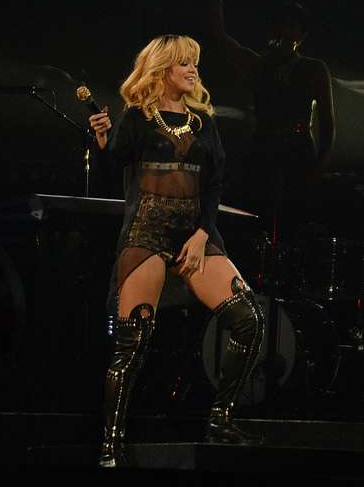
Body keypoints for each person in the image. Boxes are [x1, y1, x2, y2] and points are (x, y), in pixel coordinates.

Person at [88, 35, 264, 468]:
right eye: (184, 63)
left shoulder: (204, 122)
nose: (193, 70)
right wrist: (103, 141)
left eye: (195, 64)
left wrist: (203, 234)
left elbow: (215, 184)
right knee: (133, 342)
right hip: (147, 233)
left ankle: (221, 420)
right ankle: (111, 444)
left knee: (249, 319)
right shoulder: (136, 118)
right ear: (163, 68)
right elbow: (112, 171)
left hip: (194, 234)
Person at [207, 0, 335, 239]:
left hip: (297, 151)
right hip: (264, 149)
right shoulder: (258, 65)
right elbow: (220, 38)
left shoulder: (313, 69)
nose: (284, 31)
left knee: (293, 223)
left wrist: (319, 166)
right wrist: (216, 1)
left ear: (301, 35)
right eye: (281, 25)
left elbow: (328, 123)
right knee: (257, 219)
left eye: (291, 26)